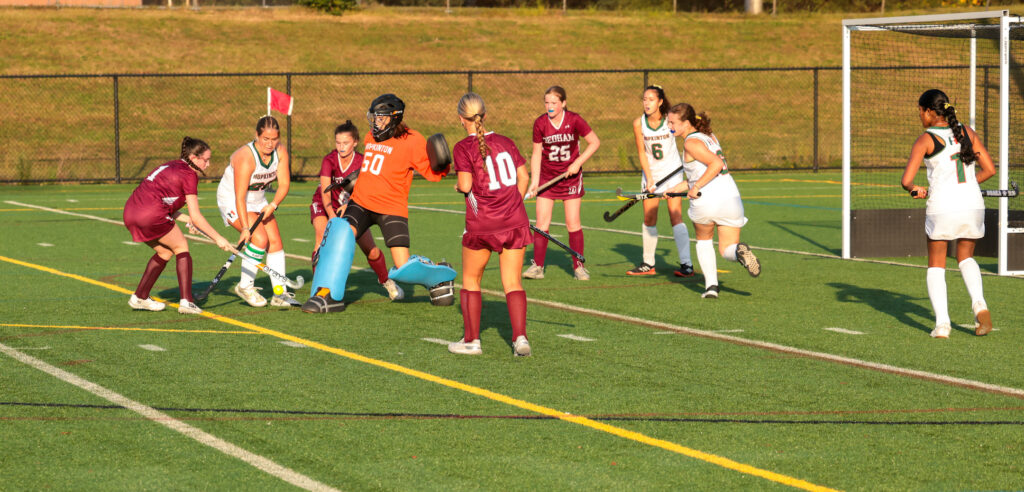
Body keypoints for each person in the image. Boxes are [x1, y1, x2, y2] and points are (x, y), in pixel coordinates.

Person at [302, 93, 451, 312]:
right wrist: (352, 191)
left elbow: (432, 173)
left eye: (381, 117)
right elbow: (371, 169)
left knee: (403, 267)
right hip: (361, 202)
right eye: (375, 117)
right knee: (339, 235)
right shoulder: (371, 136)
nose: (376, 122)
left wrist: (442, 164)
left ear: (394, 118)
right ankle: (327, 295)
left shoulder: (412, 140)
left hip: (391, 207)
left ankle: (439, 276)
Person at [901, 89, 995, 338]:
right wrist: (968, 184)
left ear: (930, 112)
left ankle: (942, 325)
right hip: (972, 204)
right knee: (965, 257)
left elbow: (907, 181)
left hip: (943, 207)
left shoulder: (925, 139)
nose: (920, 116)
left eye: (920, 111)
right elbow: (989, 169)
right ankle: (979, 305)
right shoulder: (967, 132)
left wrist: (915, 190)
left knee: (936, 265)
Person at [448, 93, 533, 357]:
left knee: (471, 280)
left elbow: (465, 186)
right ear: (485, 115)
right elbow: (524, 177)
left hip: (482, 223)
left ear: (462, 119)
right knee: (513, 282)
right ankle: (520, 338)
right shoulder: (506, 142)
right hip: (514, 222)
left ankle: (472, 341)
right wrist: (512, 206)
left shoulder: (463, 147)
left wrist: (457, 185)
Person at [123, 137, 234, 315]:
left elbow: (166, 204)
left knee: (165, 252)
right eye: (205, 159)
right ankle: (186, 302)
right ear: (194, 157)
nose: (208, 164)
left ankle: (140, 297)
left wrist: (188, 220)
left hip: (131, 212)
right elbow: (197, 216)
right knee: (181, 246)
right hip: (151, 214)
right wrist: (219, 238)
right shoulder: (189, 174)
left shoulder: (172, 165)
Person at [666, 103, 760, 299]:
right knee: (727, 249)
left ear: (686, 123)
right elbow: (706, 171)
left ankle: (711, 287)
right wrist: (679, 188)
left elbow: (715, 165)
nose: (669, 126)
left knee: (704, 241)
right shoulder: (710, 137)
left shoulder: (690, 143)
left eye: (673, 122)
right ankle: (740, 252)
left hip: (706, 199)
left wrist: (697, 187)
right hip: (730, 198)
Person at [309, 120, 403, 301]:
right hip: (325, 206)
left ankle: (386, 281)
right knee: (322, 241)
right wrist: (332, 218)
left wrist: (351, 205)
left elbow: (366, 189)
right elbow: (325, 193)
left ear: (355, 142)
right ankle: (319, 291)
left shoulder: (363, 161)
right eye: (338, 143)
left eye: (345, 143)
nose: (341, 147)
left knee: (372, 250)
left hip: (353, 207)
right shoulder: (329, 160)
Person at [216, 115, 300, 308]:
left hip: (258, 199)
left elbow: (284, 184)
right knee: (259, 239)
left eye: (274, 139)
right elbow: (239, 197)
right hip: (232, 199)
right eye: (265, 139)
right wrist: (245, 228)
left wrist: (273, 205)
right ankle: (245, 286)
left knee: (275, 241)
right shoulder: (245, 157)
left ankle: (280, 294)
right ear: (256, 135)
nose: (270, 144)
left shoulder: (280, 152)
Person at [523, 85, 600, 281]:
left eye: (554, 103)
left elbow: (595, 142)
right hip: (548, 178)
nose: (550, 106)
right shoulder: (540, 123)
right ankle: (538, 267)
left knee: (572, 222)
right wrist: (534, 181)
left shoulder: (574, 120)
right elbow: (536, 153)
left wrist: (577, 163)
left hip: (571, 178)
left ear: (563, 103)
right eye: (547, 103)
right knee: (541, 223)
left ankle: (579, 267)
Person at [627, 85, 693, 277]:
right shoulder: (638, 123)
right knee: (649, 218)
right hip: (652, 175)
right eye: (644, 99)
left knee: (675, 216)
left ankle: (686, 264)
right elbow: (641, 151)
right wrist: (649, 177)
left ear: (660, 102)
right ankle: (648, 263)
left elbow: (686, 138)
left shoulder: (669, 121)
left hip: (672, 174)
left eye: (651, 99)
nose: (647, 103)